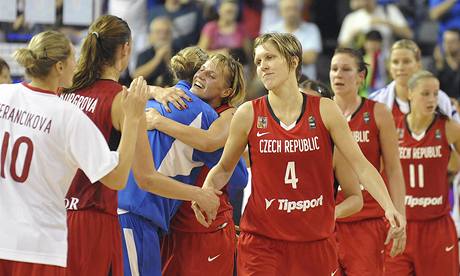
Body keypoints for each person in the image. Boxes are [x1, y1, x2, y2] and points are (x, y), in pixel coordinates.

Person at [198, 32, 404, 275]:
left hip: (314, 241)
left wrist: (389, 206)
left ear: (293, 61)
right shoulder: (248, 113)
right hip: (262, 243)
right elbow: (223, 169)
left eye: (269, 58)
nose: (262, 66)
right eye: (258, 61)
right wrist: (205, 192)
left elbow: (361, 165)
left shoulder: (326, 110)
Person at [61, 16, 220, 276]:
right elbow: (146, 178)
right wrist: (200, 195)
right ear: (125, 49)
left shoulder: (65, 91)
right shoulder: (124, 102)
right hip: (98, 215)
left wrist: (154, 91)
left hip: (57, 215)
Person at [0, 30, 147, 275]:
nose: (76, 64)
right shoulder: (68, 116)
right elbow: (118, 178)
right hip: (39, 246)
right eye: (72, 58)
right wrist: (132, 120)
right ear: (59, 66)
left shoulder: (3, 95)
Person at [117, 47, 248, 276]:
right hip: (170, 221)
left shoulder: (227, 114)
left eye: (211, 75)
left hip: (204, 224)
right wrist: (155, 90)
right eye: (202, 70)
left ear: (227, 90)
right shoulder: (177, 100)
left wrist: (159, 121)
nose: (202, 75)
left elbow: (236, 173)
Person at [330, 47, 406, 276]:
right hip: (328, 219)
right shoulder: (320, 112)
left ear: (361, 76)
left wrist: (399, 214)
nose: (338, 75)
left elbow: (393, 170)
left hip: (367, 221)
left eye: (346, 69)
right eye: (334, 69)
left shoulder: (379, 112)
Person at [384, 70, 460, 276]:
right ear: (410, 94)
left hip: (436, 226)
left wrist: (452, 165)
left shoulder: (449, 128)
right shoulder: (392, 126)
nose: (432, 99)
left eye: (435, 94)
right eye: (425, 93)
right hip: (401, 225)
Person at [370, 39, 459, 123]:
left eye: (406, 61)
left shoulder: (440, 99)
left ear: (418, 65)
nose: (400, 67)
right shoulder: (374, 101)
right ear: (389, 67)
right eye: (395, 62)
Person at [265, 0, 322, 80]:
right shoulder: (271, 31)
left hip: (305, 83)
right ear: (281, 12)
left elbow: (310, 58)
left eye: (295, 9)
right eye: (288, 9)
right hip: (278, 81)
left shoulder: (311, 29)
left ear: (300, 10)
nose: (291, 13)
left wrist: (278, 54)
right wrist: (297, 55)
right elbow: (266, 57)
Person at [198, 0, 251, 66]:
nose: (231, 15)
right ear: (219, 10)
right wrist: (219, 53)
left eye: (234, 12)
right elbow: (200, 53)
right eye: (228, 11)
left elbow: (249, 55)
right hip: (214, 67)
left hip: (236, 70)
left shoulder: (242, 29)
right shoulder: (211, 28)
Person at [133, 17, 175, 86]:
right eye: (158, 32)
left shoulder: (179, 52)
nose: (163, 36)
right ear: (150, 36)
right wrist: (158, 57)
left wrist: (168, 60)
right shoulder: (144, 54)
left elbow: (183, 77)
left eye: (167, 32)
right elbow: (136, 76)